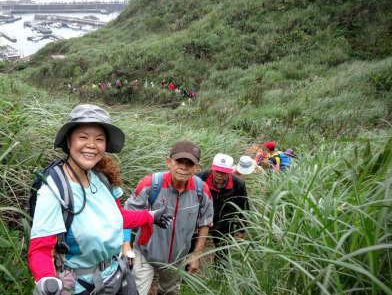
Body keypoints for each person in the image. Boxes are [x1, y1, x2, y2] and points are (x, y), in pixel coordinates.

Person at [28, 104, 172, 295]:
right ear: (69, 141)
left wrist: (150, 217)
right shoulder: (54, 190)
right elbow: (40, 249)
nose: (91, 145)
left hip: (116, 275)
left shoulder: (101, 178)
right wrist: (47, 279)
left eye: (99, 139)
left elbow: (117, 217)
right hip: (83, 287)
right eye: (83, 137)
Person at [122, 141, 213, 295]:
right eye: (179, 161)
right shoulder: (151, 184)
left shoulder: (201, 190)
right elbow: (127, 215)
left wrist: (197, 254)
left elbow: (205, 221)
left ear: (197, 168)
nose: (183, 167)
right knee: (135, 292)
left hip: (177, 259)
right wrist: (126, 245)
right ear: (169, 162)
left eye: (189, 163)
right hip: (145, 254)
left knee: (169, 292)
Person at [193, 153, 248, 265]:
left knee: (223, 253)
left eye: (224, 173)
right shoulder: (200, 178)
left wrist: (241, 229)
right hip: (199, 220)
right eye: (217, 171)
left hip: (224, 223)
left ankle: (219, 277)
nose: (219, 175)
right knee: (191, 248)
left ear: (230, 171)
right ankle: (186, 276)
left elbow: (244, 206)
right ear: (212, 168)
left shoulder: (238, 184)